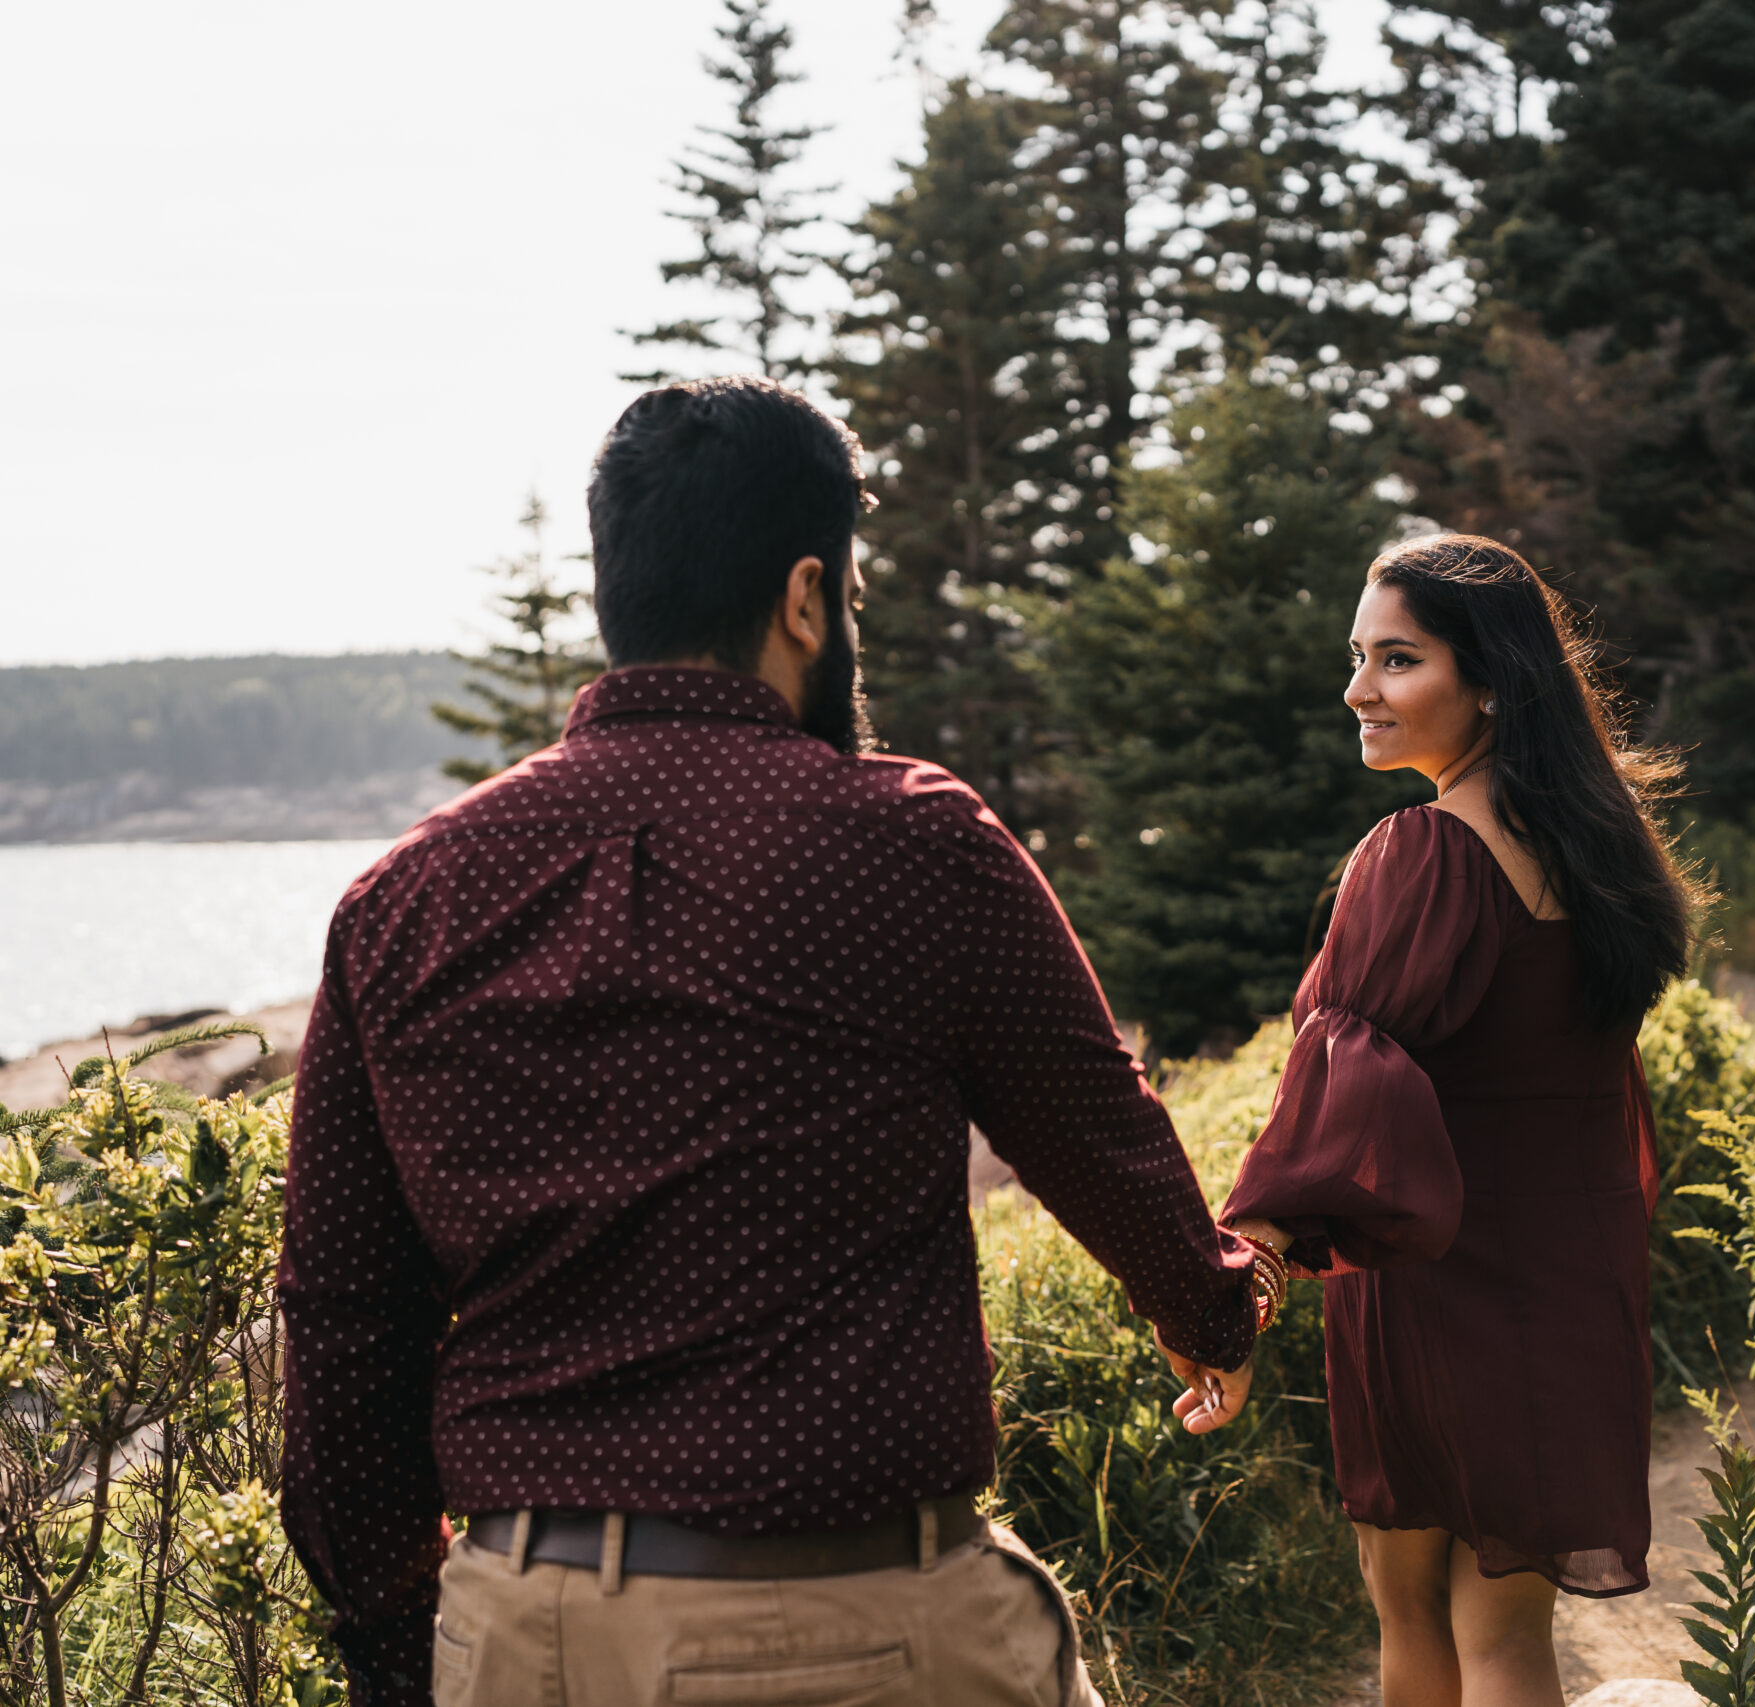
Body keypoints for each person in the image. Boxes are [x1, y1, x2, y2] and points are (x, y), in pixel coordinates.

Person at [277, 376, 1273, 1707]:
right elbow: (1096, 1128)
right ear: (806, 598)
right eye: (850, 601)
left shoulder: (403, 896)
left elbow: (343, 1318)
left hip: (522, 1630)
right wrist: (1208, 1300)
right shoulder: (914, 842)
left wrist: (406, 1637)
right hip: (857, 1624)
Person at [1219, 533, 1696, 1707]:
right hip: (1570, 1281)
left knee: (1416, 1622)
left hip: (1434, 1286)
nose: (1358, 692)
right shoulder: (1597, 850)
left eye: (1396, 660)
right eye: (1357, 659)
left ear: (1488, 678)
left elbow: (1340, 1079)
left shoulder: (1423, 848)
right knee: (1510, 1641)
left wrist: (1256, 1255)